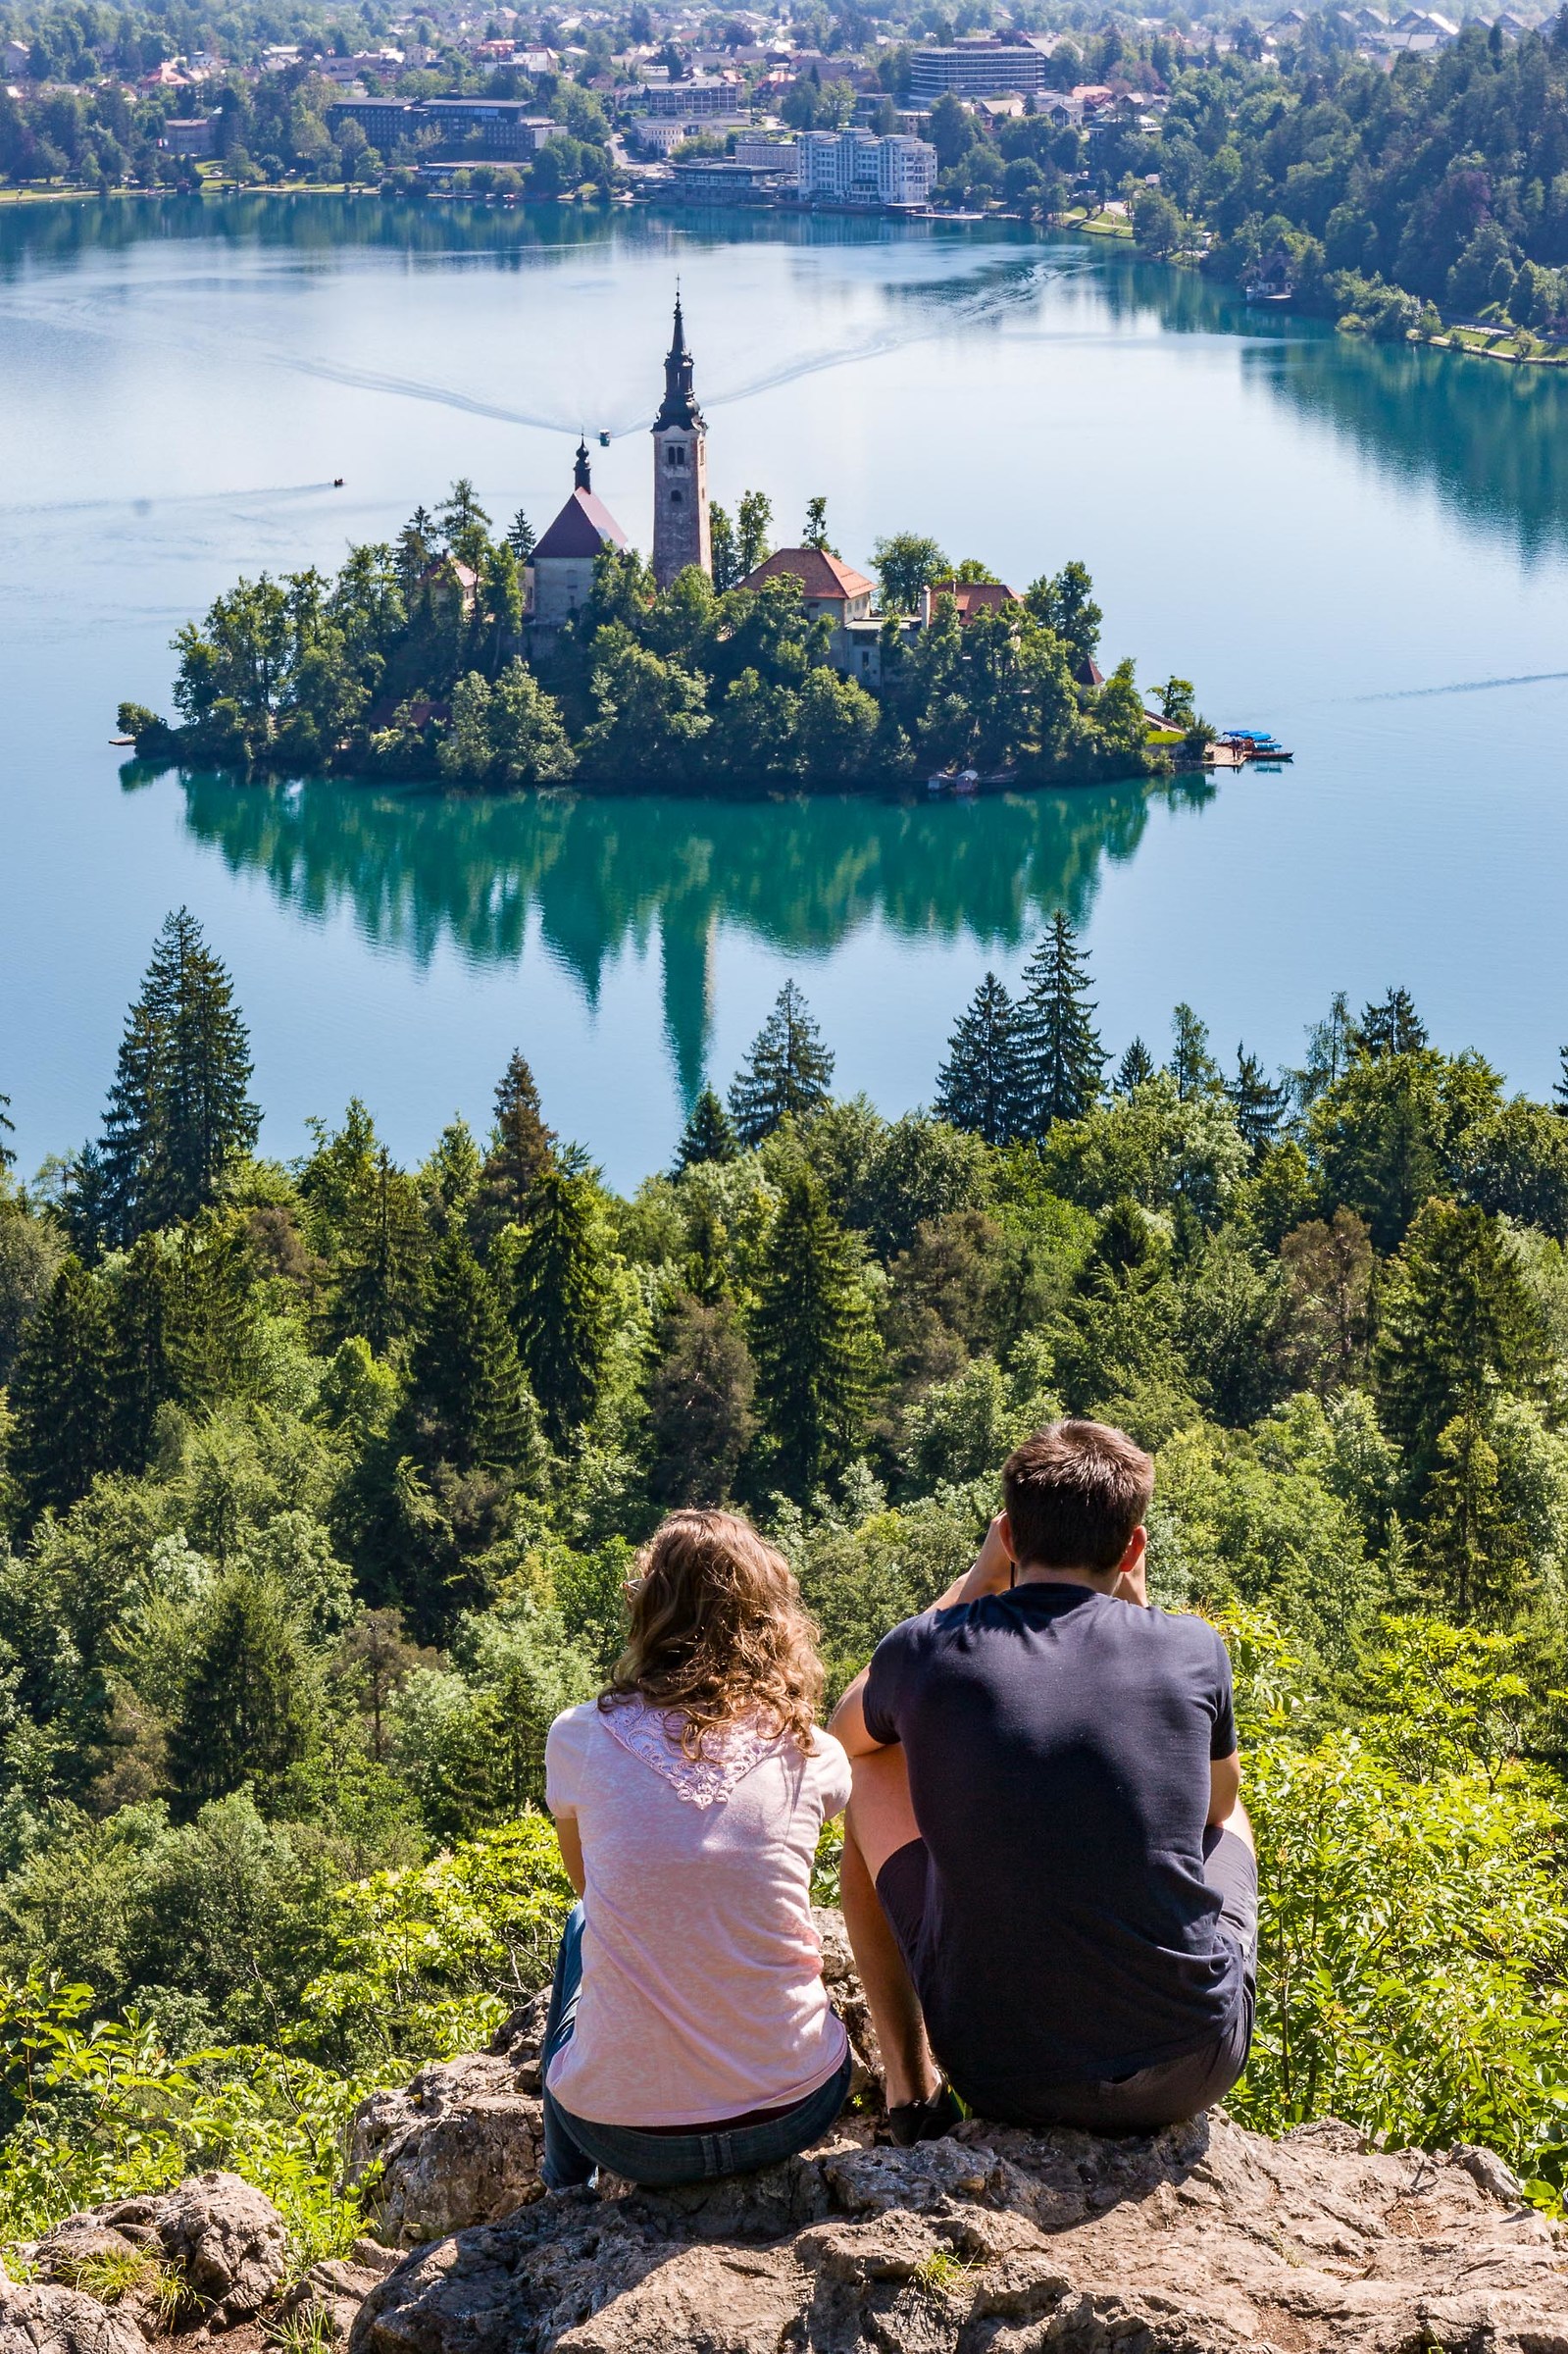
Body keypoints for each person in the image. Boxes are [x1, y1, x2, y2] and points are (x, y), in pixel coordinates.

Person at [829, 1419, 1256, 2142]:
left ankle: (910, 2089)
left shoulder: (927, 1650)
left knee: (869, 1772)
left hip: (1002, 2077)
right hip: (1191, 2067)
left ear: (1008, 1533)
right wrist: (1138, 1613)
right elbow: (1209, 1805)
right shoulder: (1191, 1648)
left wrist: (974, 1581)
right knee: (1230, 1803)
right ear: (1132, 1547)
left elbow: (841, 1738)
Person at [540, 1508, 853, 2189]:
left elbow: (588, 1888)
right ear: (771, 1620)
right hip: (792, 2111)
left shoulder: (579, 1738)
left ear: (645, 1609)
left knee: (580, 1924)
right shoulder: (812, 1751)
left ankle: (565, 2184)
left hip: (623, 2137)